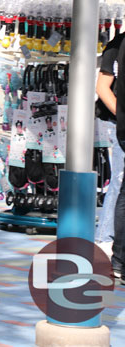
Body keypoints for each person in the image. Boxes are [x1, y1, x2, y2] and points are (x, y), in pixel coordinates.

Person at [96, 29, 125, 280]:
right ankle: (105, 238)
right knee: (119, 179)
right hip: (117, 122)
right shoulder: (117, 45)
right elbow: (103, 87)